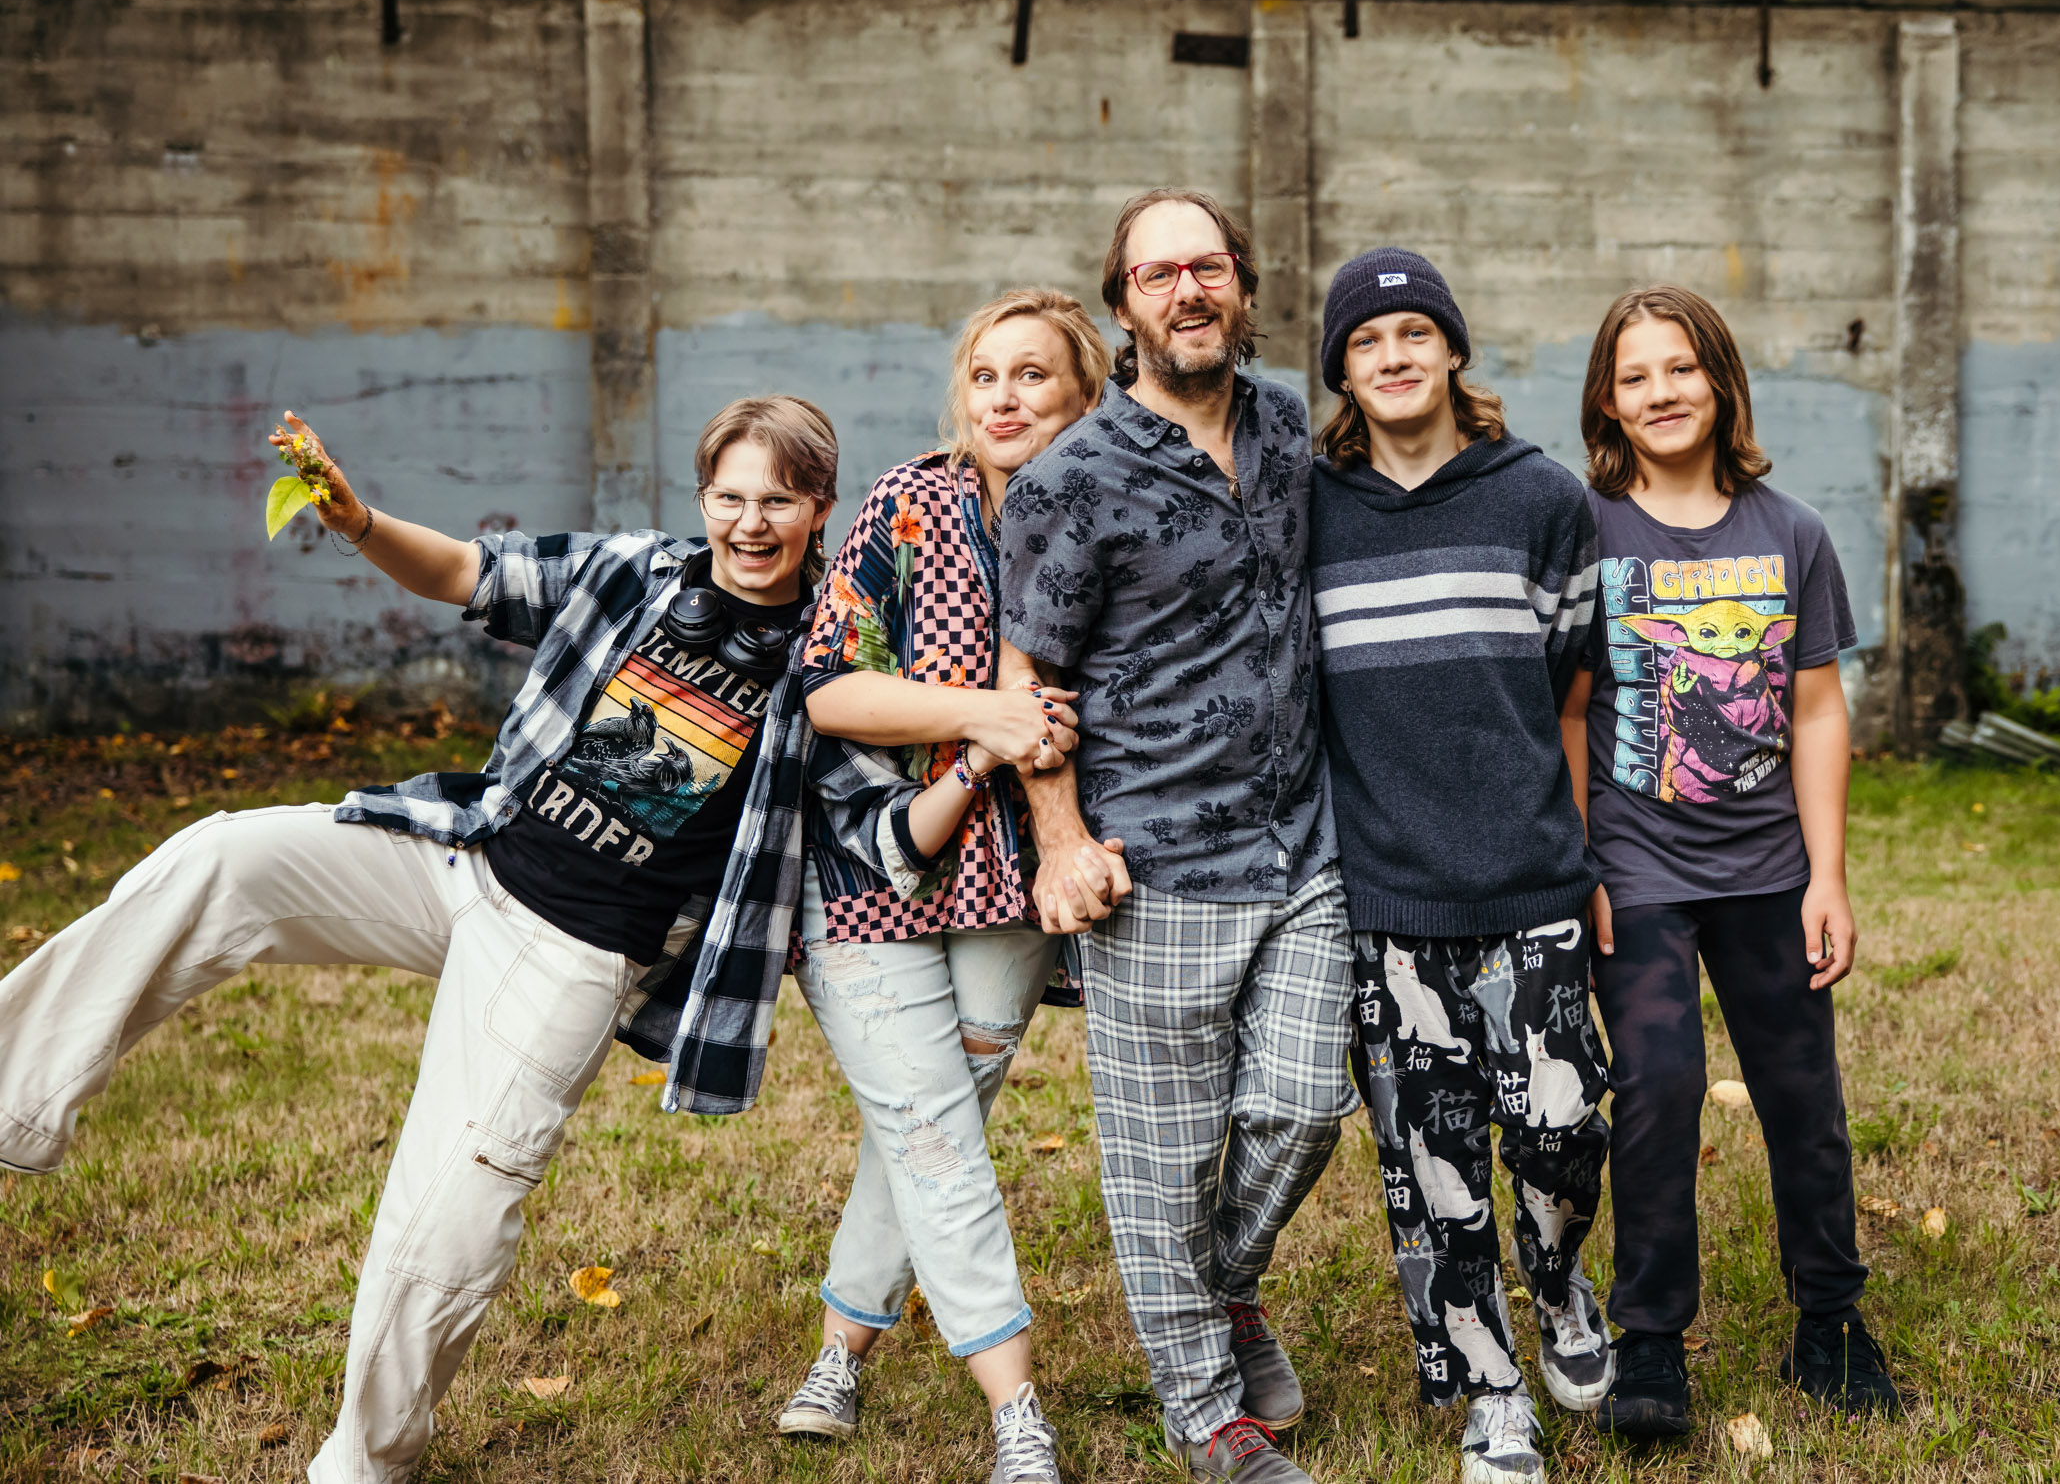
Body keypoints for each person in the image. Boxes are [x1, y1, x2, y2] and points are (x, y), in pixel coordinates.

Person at [0, 397, 1058, 1484]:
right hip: (463, 856)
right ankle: (13, 1095)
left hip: (577, 950)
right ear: (703, 500)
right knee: (217, 855)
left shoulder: (828, 675)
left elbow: (890, 840)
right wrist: (358, 517)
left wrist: (978, 741)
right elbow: (470, 573)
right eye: (730, 496)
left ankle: (365, 1460)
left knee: (450, 1206)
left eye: (778, 499)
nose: (750, 521)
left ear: (818, 508)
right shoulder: (635, 570)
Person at [994, 190, 1345, 1484]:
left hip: (1308, 843)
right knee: (1164, 1158)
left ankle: (1225, 1286)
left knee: (1307, 1103)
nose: (1186, 290)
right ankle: (1211, 1416)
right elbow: (1025, 671)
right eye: (1158, 272)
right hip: (1155, 862)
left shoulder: (1294, 430)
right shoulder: (1070, 477)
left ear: (1244, 284)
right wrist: (1060, 837)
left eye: (1208, 266)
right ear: (1123, 301)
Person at [771, 291, 1110, 1484]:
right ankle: (1016, 1409)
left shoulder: (1113, 514)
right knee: (931, 1130)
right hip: (866, 863)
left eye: (1033, 376)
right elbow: (829, 687)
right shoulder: (905, 506)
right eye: (985, 375)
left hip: (1014, 885)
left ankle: (840, 1347)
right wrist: (987, 722)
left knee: (930, 1125)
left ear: (1085, 395)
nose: (1005, 397)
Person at [1558, 286, 1902, 1437]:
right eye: (1635, 373)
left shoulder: (1789, 531)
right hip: (1638, 867)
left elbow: (1814, 710)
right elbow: (1566, 713)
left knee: (1802, 1095)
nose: (1660, 392)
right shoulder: (1586, 531)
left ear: (1720, 380)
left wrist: (1829, 872)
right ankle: (1650, 1341)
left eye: (1681, 368)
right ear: (1608, 397)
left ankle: (1830, 1321)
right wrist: (1579, 857)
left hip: (1766, 871)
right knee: (1654, 1088)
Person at [1307, 250, 1611, 1484]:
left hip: (1527, 885)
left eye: (1415, 332)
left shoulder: (1538, 496)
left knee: (1560, 1126)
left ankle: (1558, 1276)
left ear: (1452, 351)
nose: (1392, 355)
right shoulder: (1311, 508)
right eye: (1366, 340)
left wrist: (1576, 848)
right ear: (1340, 369)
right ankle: (1492, 1391)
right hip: (1385, 898)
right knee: (1435, 1167)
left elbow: (1569, 689)